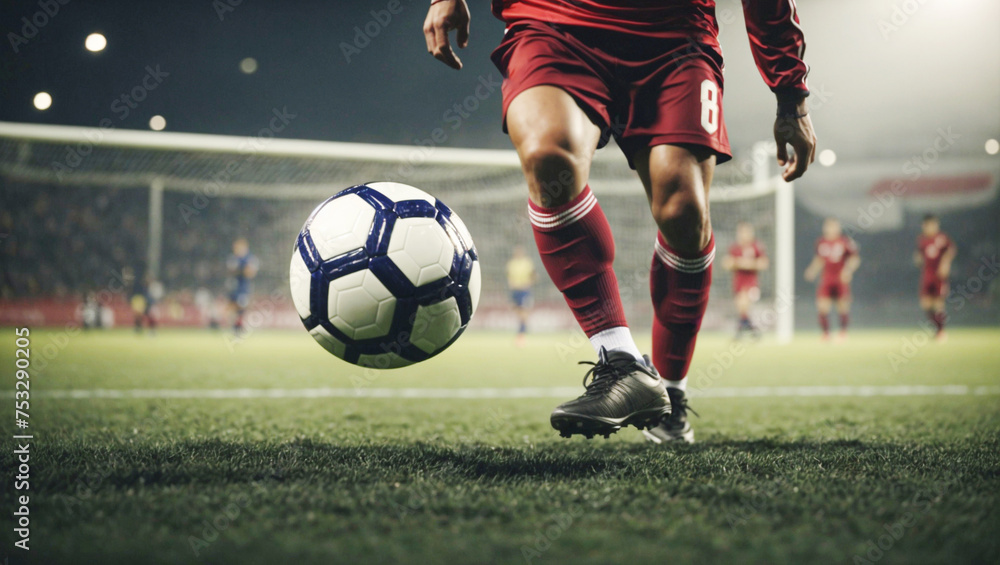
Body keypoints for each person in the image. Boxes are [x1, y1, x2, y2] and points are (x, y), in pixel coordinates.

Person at [423, 0, 816, 443]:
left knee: (684, 213)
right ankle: (621, 361)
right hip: (555, 21)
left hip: (675, 37)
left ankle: (668, 394)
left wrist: (791, 97)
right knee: (547, 155)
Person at [804, 218, 859, 341]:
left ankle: (843, 333)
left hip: (840, 279)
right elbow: (819, 259)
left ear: (838, 228)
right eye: (828, 227)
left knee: (843, 306)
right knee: (822, 306)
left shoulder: (845, 242)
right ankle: (826, 334)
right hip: (826, 279)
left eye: (834, 227)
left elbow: (855, 259)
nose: (831, 229)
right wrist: (812, 270)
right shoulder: (821, 242)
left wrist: (848, 270)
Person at [722, 223, 768, 339]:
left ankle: (741, 330)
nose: (743, 235)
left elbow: (764, 263)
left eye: (746, 232)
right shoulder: (735, 248)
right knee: (741, 308)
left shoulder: (756, 246)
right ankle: (750, 329)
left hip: (752, 283)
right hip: (738, 283)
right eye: (741, 232)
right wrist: (736, 263)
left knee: (743, 302)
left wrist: (747, 264)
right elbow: (726, 263)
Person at [914, 214, 955, 341]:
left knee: (938, 303)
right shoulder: (921, 239)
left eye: (932, 225)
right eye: (927, 225)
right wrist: (918, 259)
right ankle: (937, 330)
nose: (929, 228)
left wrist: (945, 263)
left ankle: (941, 332)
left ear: (936, 225)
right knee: (925, 303)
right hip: (927, 275)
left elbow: (951, 249)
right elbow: (919, 255)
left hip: (938, 275)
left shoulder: (942, 238)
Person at [226, 238, 259, 335]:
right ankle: (235, 327)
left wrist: (241, 270)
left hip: (243, 288)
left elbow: (250, 273)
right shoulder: (233, 258)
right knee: (232, 307)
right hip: (233, 287)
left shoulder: (249, 258)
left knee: (241, 307)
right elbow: (230, 271)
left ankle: (239, 327)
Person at [506, 245, 537, 345]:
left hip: (524, 290)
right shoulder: (511, 263)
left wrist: (529, 283)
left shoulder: (527, 263)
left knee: (524, 312)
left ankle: (521, 335)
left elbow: (533, 275)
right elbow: (508, 275)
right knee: (518, 312)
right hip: (515, 290)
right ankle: (522, 330)